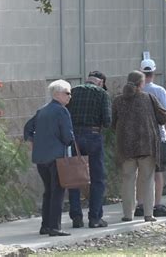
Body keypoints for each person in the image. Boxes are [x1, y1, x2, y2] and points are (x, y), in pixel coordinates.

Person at [112, 71, 166, 222]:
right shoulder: (149, 98)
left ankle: (128, 214)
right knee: (148, 179)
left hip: (125, 146)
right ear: (141, 84)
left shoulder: (118, 100)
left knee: (127, 180)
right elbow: (163, 116)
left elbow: (112, 122)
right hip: (146, 145)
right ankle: (148, 214)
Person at [24, 80, 74, 236]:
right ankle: (54, 227)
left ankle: (45, 225)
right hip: (57, 158)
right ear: (57, 94)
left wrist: (32, 142)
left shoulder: (42, 110)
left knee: (48, 191)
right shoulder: (62, 111)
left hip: (41, 158)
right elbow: (67, 137)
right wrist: (70, 140)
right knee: (58, 191)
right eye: (67, 93)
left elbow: (28, 128)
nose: (70, 96)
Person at [66, 71, 111, 229]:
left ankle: (76, 217)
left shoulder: (73, 91)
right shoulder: (102, 94)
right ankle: (95, 218)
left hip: (74, 137)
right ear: (100, 83)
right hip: (93, 136)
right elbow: (107, 121)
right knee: (97, 178)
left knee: (75, 177)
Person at [134, 59, 166, 218]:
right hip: (158, 135)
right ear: (154, 72)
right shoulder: (160, 91)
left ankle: (140, 203)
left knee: (140, 172)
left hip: (140, 136)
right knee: (158, 172)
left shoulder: (137, 92)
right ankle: (157, 203)